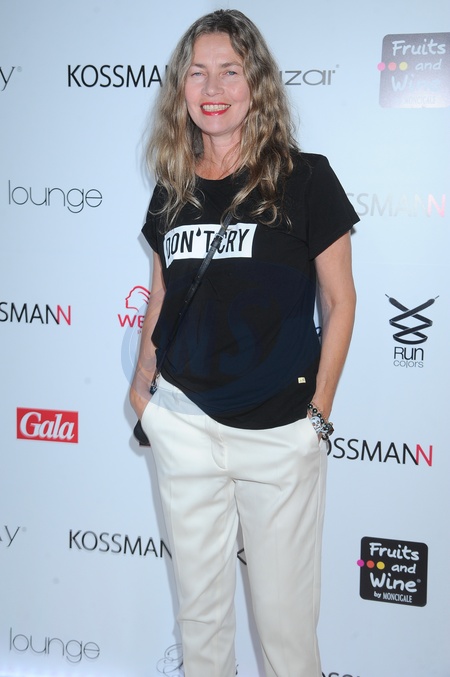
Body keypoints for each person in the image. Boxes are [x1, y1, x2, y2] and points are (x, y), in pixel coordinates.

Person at [130, 9, 358, 677]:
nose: (213, 89)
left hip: (280, 433)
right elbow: (162, 295)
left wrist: (318, 414)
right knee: (200, 625)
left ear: (256, 83)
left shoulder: (305, 178)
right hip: (183, 425)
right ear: (180, 88)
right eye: (197, 73)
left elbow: (340, 301)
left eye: (230, 71)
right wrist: (143, 393)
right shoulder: (171, 190)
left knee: (286, 633)